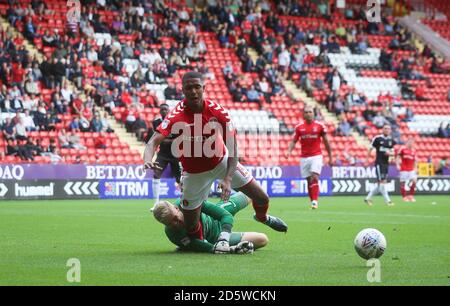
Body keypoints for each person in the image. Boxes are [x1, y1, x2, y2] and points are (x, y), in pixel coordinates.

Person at [144, 71, 287, 254]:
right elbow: (153, 141)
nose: (194, 91)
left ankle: (262, 217)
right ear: (183, 90)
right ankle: (208, 245)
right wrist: (148, 159)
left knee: (262, 198)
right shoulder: (175, 116)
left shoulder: (217, 111)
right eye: (189, 88)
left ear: (204, 88)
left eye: (197, 87)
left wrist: (228, 178)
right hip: (193, 174)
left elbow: (233, 147)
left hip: (221, 162)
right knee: (190, 224)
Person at [153, 192, 267, 254]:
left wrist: (224, 238)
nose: (177, 223)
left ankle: (263, 217)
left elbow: (225, 216)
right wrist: (231, 249)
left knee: (252, 194)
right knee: (262, 239)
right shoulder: (172, 234)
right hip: (214, 239)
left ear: (177, 208)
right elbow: (207, 248)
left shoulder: (189, 202)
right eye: (170, 223)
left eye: (176, 218)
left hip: (215, 219)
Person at [286, 106, 333, 209]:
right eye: (306, 112)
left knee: (314, 177)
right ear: (303, 114)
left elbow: (326, 142)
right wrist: (289, 151)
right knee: (309, 180)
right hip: (304, 157)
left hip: (316, 156)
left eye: (310, 112)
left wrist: (330, 157)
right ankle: (312, 201)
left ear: (313, 113)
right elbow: (294, 141)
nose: (308, 114)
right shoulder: (299, 127)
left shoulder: (320, 126)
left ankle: (315, 201)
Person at [149, 104, 182, 211]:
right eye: (162, 109)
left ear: (169, 111)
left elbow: (179, 139)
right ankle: (156, 204)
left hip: (175, 154)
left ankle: (185, 202)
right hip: (162, 154)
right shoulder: (156, 123)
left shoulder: (175, 122)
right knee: (156, 174)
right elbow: (156, 139)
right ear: (159, 111)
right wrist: (167, 141)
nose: (164, 111)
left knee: (179, 178)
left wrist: (164, 140)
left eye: (165, 109)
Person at [365, 124, 396, 206]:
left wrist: (390, 154)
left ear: (390, 130)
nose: (387, 130)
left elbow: (393, 152)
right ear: (382, 129)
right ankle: (388, 201)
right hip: (379, 163)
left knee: (381, 183)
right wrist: (367, 159)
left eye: (388, 129)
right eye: (385, 128)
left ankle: (368, 198)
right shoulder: (377, 139)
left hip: (386, 163)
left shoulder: (391, 141)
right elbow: (370, 148)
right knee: (382, 182)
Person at [396, 138, 417, 202]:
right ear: (407, 142)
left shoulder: (414, 151)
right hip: (404, 169)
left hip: (411, 169)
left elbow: (415, 160)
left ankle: (411, 196)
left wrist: (415, 168)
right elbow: (398, 157)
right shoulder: (403, 149)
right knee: (403, 183)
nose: (411, 143)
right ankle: (404, 197)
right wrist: (397, 165)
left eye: (412, 142)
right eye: (410, 142)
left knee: (414, 181)